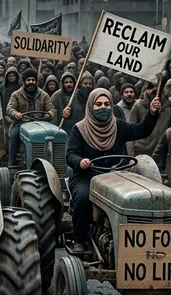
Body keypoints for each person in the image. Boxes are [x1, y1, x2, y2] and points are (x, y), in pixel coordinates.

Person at [66, 88, 161, 255]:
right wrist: (80, 162)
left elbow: (141, 131)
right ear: (90, 106)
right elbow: (70, 154)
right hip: (87, 176)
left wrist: (152, 114)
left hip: (117, 176)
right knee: (82, 198)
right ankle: (79, 238)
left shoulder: (119, 125)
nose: (103, 107)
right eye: (98, 104)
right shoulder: (79, 129)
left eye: (106, 104)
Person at [6, 70, 56, 164]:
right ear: (24, 81)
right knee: (14, 135)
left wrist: (48, 114)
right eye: (28, 80)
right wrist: (16, 114)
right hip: (22, 123)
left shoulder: (43, 94)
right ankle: (12, 163)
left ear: (36, 81)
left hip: (41, 123)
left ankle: (53, 160)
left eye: (33, 80)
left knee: (52, 135)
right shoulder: (16, 95)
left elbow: (52, 109)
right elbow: (10, 109)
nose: (31, 82)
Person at [129, 84, 171, 157]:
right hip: (142, 153)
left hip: (162, 153)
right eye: (151, 86)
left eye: (157, 86)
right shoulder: (138, 105)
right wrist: (131, 157)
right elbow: (130, 132)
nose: (155, 89)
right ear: (146, 88)